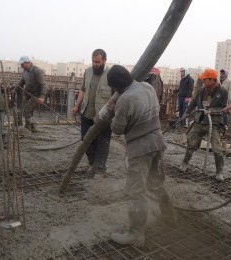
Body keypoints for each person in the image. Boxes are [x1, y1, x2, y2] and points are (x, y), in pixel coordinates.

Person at [107, 65, 175, 246]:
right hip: (157, 143)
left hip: (140, 149)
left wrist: (114, 110)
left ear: (116, 87)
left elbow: (117, 129)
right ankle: (169, 216)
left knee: (135, 191)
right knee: (156, 183)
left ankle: (136, 233)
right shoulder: (147, 87)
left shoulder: (125, 99)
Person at [180, 69, 228, 181]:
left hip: (214, 123)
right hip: (200, 121)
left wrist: (212, 110)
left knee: (217, 149)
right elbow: (193, 103)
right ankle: (185, 163)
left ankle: (219, 172)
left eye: (205, 79)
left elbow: (224, 108)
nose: (203, 81)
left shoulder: (223, 92)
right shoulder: (202, 90)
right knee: (191, 143)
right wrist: (186, 113)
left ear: (213, 80)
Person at [71, 49, 113, 177]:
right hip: (87, 114)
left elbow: (117, 95)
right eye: (93, 61)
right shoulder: (88, 72)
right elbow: (83, 90)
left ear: (105, 60)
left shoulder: (111, 74)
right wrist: (77, 106)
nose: (95, 64)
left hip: (103, 116)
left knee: (102, 143)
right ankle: (92, 164)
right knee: (86, 141)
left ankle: (100, 168)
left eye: (98, 62)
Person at [16, 56, 47, 133]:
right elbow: (22, 81)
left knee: (27, 110)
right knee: (28, 111)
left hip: (35, 95)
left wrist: (42, 97)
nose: (21, 66)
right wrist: (15, 89)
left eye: (22, 64)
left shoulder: (37, 71)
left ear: (27, 63)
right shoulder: (25, 71)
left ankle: (28, 127)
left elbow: (43, 85)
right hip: (27, 94)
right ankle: (32, 128)